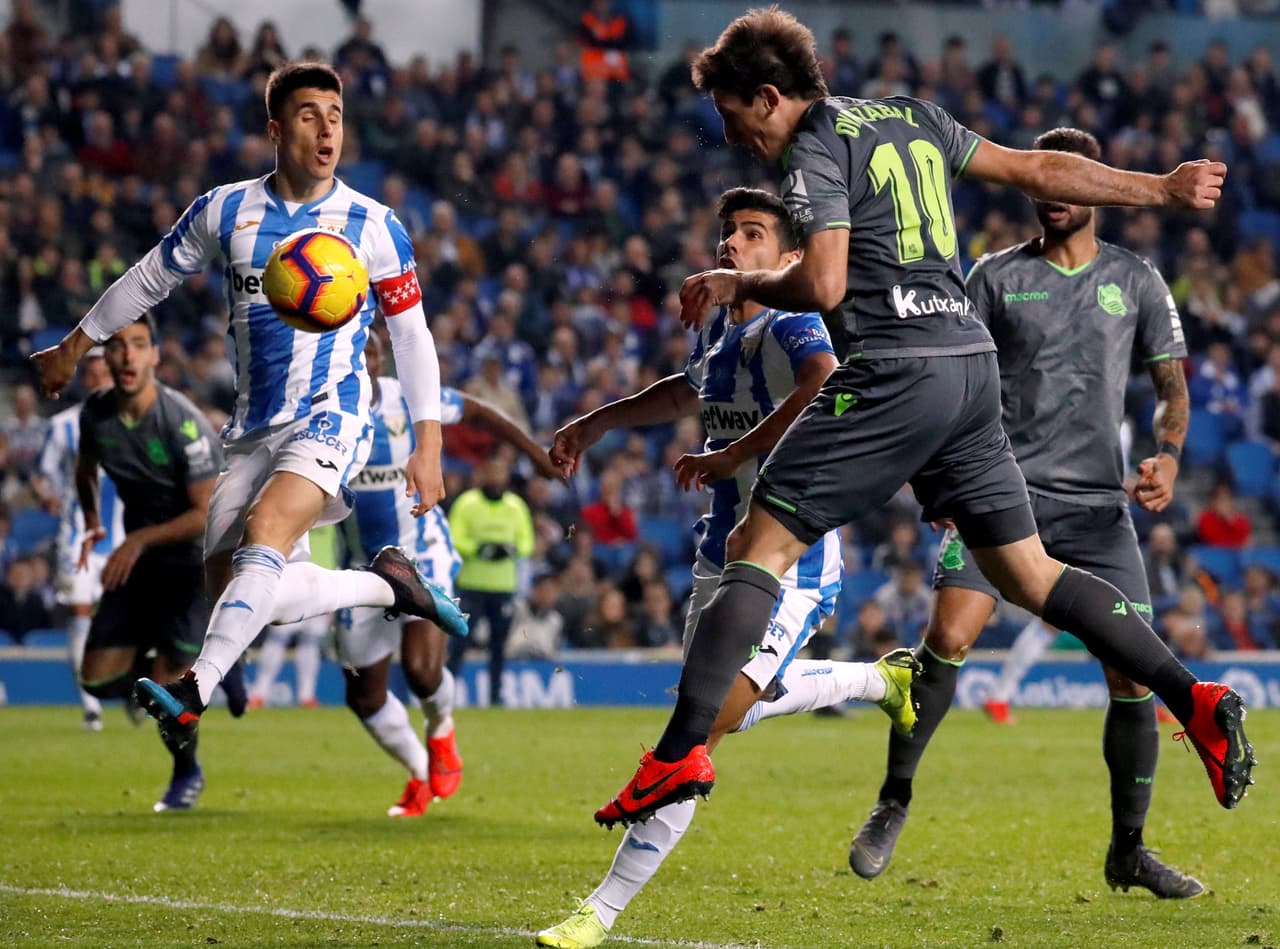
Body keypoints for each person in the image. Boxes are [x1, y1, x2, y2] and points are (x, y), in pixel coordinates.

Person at [596, 8, 1254, 831]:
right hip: (971, 371)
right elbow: (1031, 168)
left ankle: (675, 754)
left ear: (768, 97)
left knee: (754, 545)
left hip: (897, 366)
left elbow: (827, 286)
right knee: (1030, 577)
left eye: (733, 117)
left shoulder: (813, 146)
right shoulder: (912, 115)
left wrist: (743, 286)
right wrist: (1155, 188)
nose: (732, 138)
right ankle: (1192, 697)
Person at [29, 62, 468, 748]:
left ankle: (191, 692)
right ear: (274, 129)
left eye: (335, 114)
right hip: (251, 428)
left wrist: (428, 441)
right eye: (308, 115)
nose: (327, 129)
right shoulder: (225, 210)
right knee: (243, 591)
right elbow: (149, 277)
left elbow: (410, 335)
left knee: (266, 535)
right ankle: (387, 587)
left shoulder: (373, 224)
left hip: (332, 412)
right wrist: (75, 343)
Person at [537, 188, 921, 949]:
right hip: (721, 554)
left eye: (753, 234)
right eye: (727, 234)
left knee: (693, 735)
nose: (733, 245)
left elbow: (822, 378)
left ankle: (600, 911)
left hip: (792, 557)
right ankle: (881, 681)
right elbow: (684, 391)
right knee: (726, 712)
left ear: (786, 259)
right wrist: (596, 421)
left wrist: (736, 453)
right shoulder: (721, 330)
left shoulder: (791, 318)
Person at [849, 128, 1204, 899]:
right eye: (1042, 183)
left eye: (1071, 182)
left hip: (1098, 507)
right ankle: (892, 799)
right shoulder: (995, 278)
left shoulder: (1137, 281)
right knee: (947, 636)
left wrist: (1167, 455)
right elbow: (945, 374)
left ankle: (1130, 850)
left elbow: (1173, 390)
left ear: (1098, 187)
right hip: (998, 491)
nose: (1052, 195)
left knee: (1133, 676)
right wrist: (941, 474)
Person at [338, 332, 557, 816]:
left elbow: (477, 411)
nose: (366, 360)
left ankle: (441, 730)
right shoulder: (326, 414)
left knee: (419, 669)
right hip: (362, 567)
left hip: (422, 550)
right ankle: (420, 773)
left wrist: (534, 453)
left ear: (381, 360)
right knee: (363, 696)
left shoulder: (408, 401)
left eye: (372, 352)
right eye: (357, 351)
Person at [74, 314, 221, 810]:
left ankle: (186, 773)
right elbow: (85, 468)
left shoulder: (182, 423)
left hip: (188, 564)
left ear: (156, 354)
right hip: (137, 558)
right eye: (117, 346)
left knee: (170, 697)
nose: (128, 355)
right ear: (106, 358)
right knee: (93, 676)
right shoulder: (95, 414)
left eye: (139, 345)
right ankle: (160, 671)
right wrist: (93, 519)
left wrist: (136, 540)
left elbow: (205, 514)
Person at [32, 348, 124, 731]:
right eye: (93, 374)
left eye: (105, 373)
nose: (98, 379)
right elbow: (41, 474)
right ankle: (91, 706)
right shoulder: (64, 425)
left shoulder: (133, 421)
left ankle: (128, 686)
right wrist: (46, 495)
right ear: (84, 379)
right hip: (77, 540)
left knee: (127, 621)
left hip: (124, 536)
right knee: (81, 613)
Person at [445, 456, 535, 707]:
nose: (496, 480)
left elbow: (527, 541)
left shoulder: (516, 506)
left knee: (498, 647)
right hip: (472, 584)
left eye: (500, 474)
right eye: (492, 474)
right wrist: (478, 549)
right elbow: (454, 536)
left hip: (503, 586)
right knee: (459, 643)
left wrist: (511, 550)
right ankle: (446, 696)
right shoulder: (467, 503)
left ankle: (495, 697)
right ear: (482, 475)